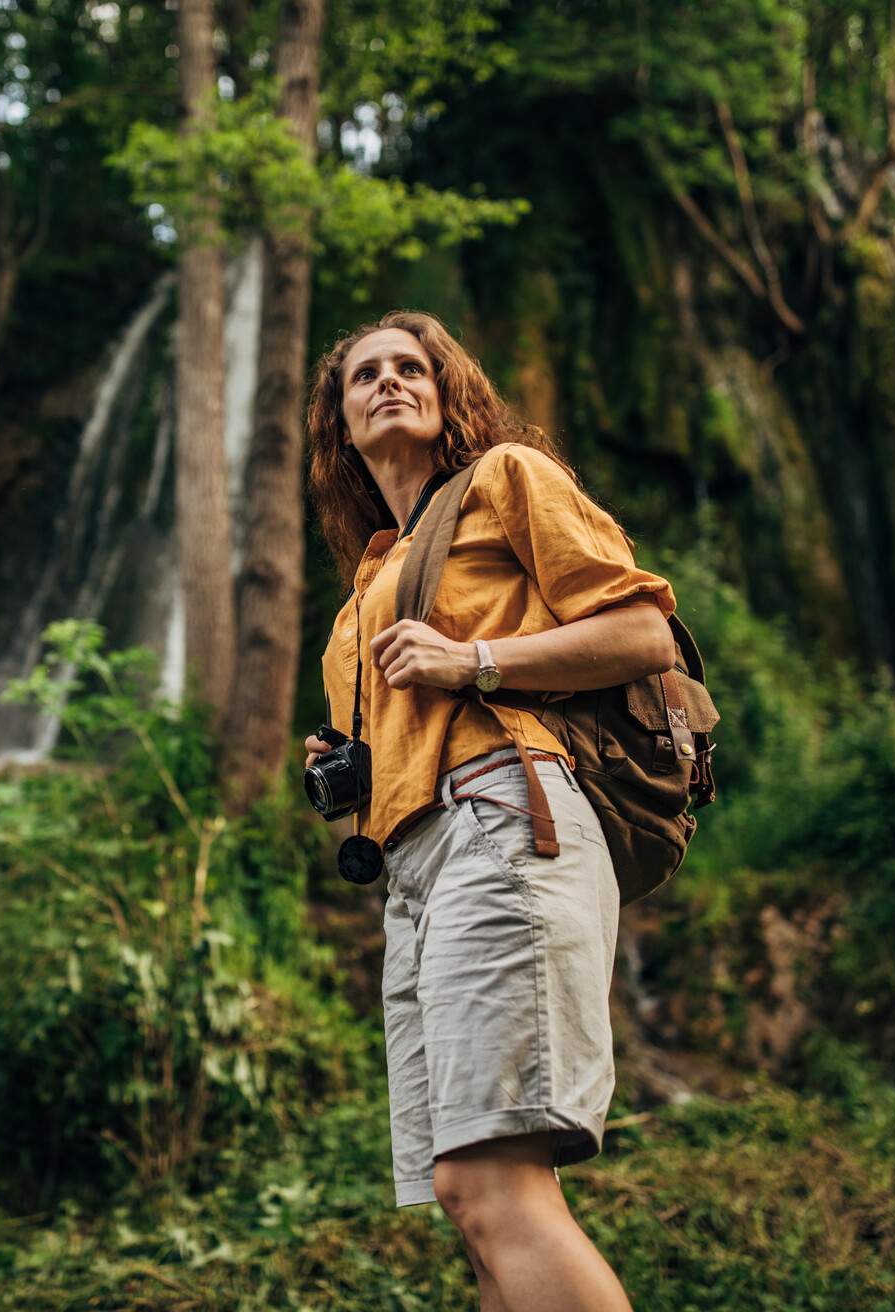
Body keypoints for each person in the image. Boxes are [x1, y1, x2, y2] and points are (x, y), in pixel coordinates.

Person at [302, 310, 677, 1312]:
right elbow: (391, 740)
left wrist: (472, 659)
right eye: (364, 375)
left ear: (447, 389)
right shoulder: (365, 590)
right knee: (468, 1199)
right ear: (338, 425)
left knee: (495, 1188)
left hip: (505, 818)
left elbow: (644, 631)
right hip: (417, 873)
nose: (388, 381)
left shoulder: (509, 479)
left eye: (410, 366)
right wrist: (347, 764)